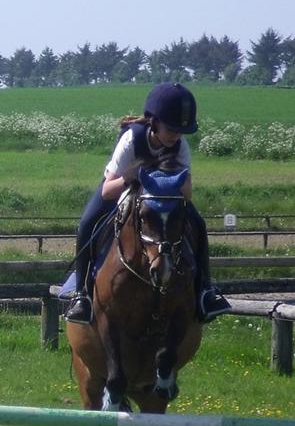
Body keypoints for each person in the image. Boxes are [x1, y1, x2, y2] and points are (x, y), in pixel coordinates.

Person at [62, 83, 230, 326]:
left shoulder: (180, 146)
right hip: (122, 187)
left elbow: (188, 193)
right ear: (154, 121)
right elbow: (108, 190)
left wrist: (170, 179)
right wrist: (133, 177)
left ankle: (206, 292)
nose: (176, 135)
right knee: (87, 223)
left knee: (198, 224)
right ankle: (82, 296)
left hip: (162, 197)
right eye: (171, 129)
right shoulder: (132, 140)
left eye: (181, 130)